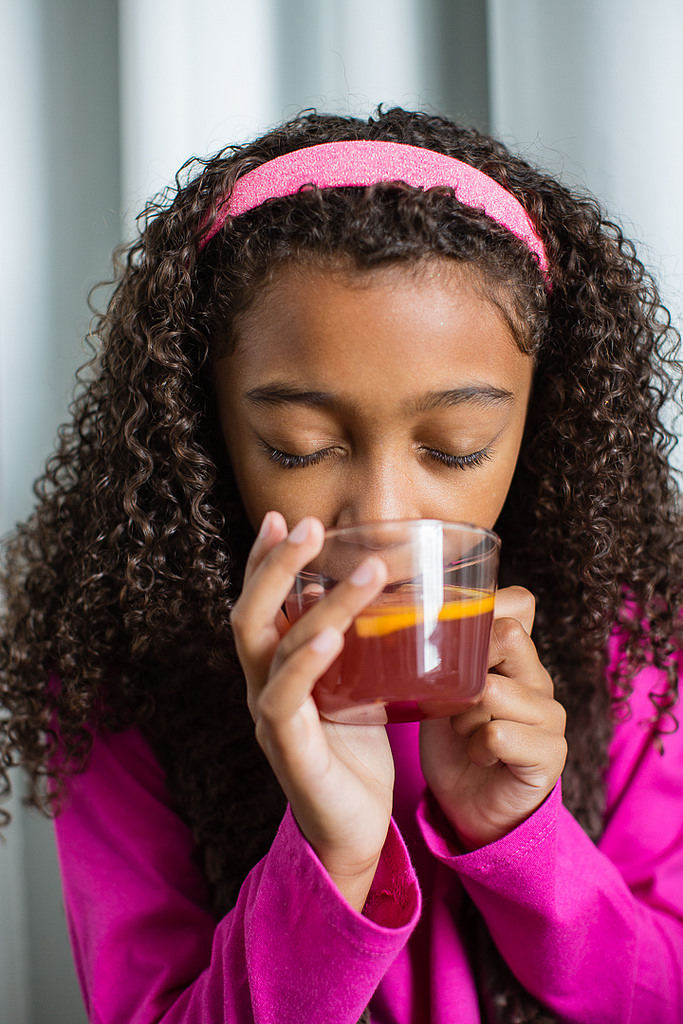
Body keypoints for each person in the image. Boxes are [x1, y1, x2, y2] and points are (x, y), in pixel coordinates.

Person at [1, 107, 682, 1024]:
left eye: (455, 446)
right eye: (297, 447)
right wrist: (335, 855)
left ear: (542, 425)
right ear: (205, 434)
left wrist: (523, 840)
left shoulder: (639, 645)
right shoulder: (117, 682)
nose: (385, 521)